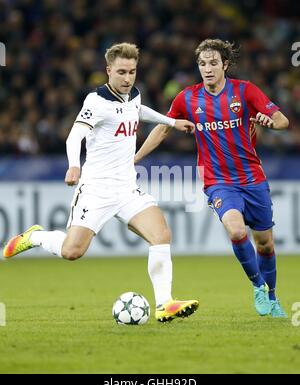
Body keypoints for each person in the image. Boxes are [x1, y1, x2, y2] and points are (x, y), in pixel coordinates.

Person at [3, 42, 199, 323]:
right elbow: (74, 137)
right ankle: (35, 237)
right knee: (72, 252)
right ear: (108, 70)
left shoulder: (133, 95)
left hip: (128, 188)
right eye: (121, 72)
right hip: (96, 189)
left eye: (132, 72)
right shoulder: (96, 102)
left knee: (161, 236)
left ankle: (164, 303)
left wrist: (170, 121)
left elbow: (138, 110)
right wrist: (74, 166)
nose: (127, 78)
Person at [134, 39, 289, 318]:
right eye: (202, 64)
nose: (207, 69)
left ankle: (274, 296)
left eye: (213, 63)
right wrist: (134, 159)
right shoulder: (187, 98)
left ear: (225, 65)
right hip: (217, 180)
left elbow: (281, 120)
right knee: (236, 231)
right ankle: (257, 287)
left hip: (252, 178)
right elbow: (164, 129)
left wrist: (270, 123)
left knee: (265, 243)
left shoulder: (244, 91)